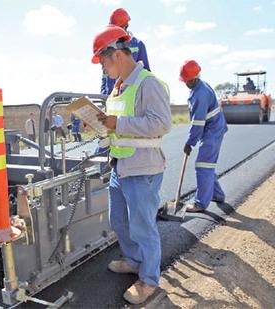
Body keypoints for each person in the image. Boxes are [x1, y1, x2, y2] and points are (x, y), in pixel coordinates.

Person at [92, 25, 172, 304]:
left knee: (142, 226)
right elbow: (117, 126)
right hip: (121, 165)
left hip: (143, 168)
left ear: (116, 53)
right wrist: (101, 125)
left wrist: (118, 124)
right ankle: (135, 260)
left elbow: (161, 123)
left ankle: (149, 280)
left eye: (102, 60)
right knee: (119, 221)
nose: (102, 67)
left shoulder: (148, 83)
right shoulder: (118, 89)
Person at [179, 60, 228, 213]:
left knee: (203, 165)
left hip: (213, 130)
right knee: (207, 165)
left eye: (187, 81)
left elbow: (198, 122)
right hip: (213, 128)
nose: (185, 84)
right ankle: (217, 194)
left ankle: (200, 203)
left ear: (194, 78)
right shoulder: (198, 87)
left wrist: (190, 143)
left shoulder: (200, 93)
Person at [101, 8, 151, 96]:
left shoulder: (138, 45)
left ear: (125, 26)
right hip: (111, 95)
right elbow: (105, 75)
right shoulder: (108, 46)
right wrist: (103, 95)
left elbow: (146, 72)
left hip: (131, 93)